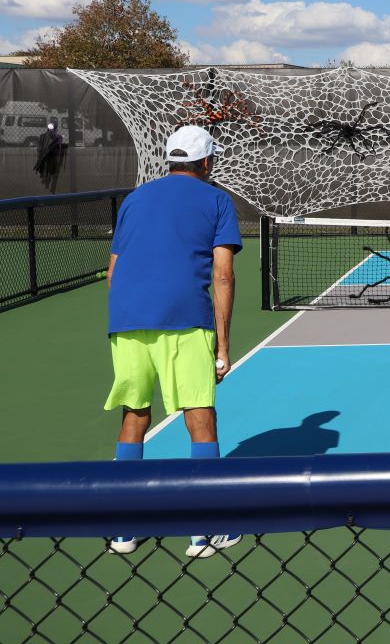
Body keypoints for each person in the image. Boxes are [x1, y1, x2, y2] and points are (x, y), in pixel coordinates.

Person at [104, 125, 243, 558]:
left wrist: (131, 313)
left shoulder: (134, 199)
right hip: (186, 320)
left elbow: (113, 270)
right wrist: (222, 346)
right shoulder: (217, 199)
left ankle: (124, 532)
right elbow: (222, 274)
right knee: (200, 416)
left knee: (134, 414)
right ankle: (204, 531)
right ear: (206, 163)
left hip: (126, 319)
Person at [33, 122, 67, 193]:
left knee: (48, 170)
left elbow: (40, 147)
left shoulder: (43, 136)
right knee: (53, 172)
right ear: (56, 129)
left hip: (47, 156)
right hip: (52, 156)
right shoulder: (58, 137)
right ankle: (51, 187)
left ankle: (47, 184)